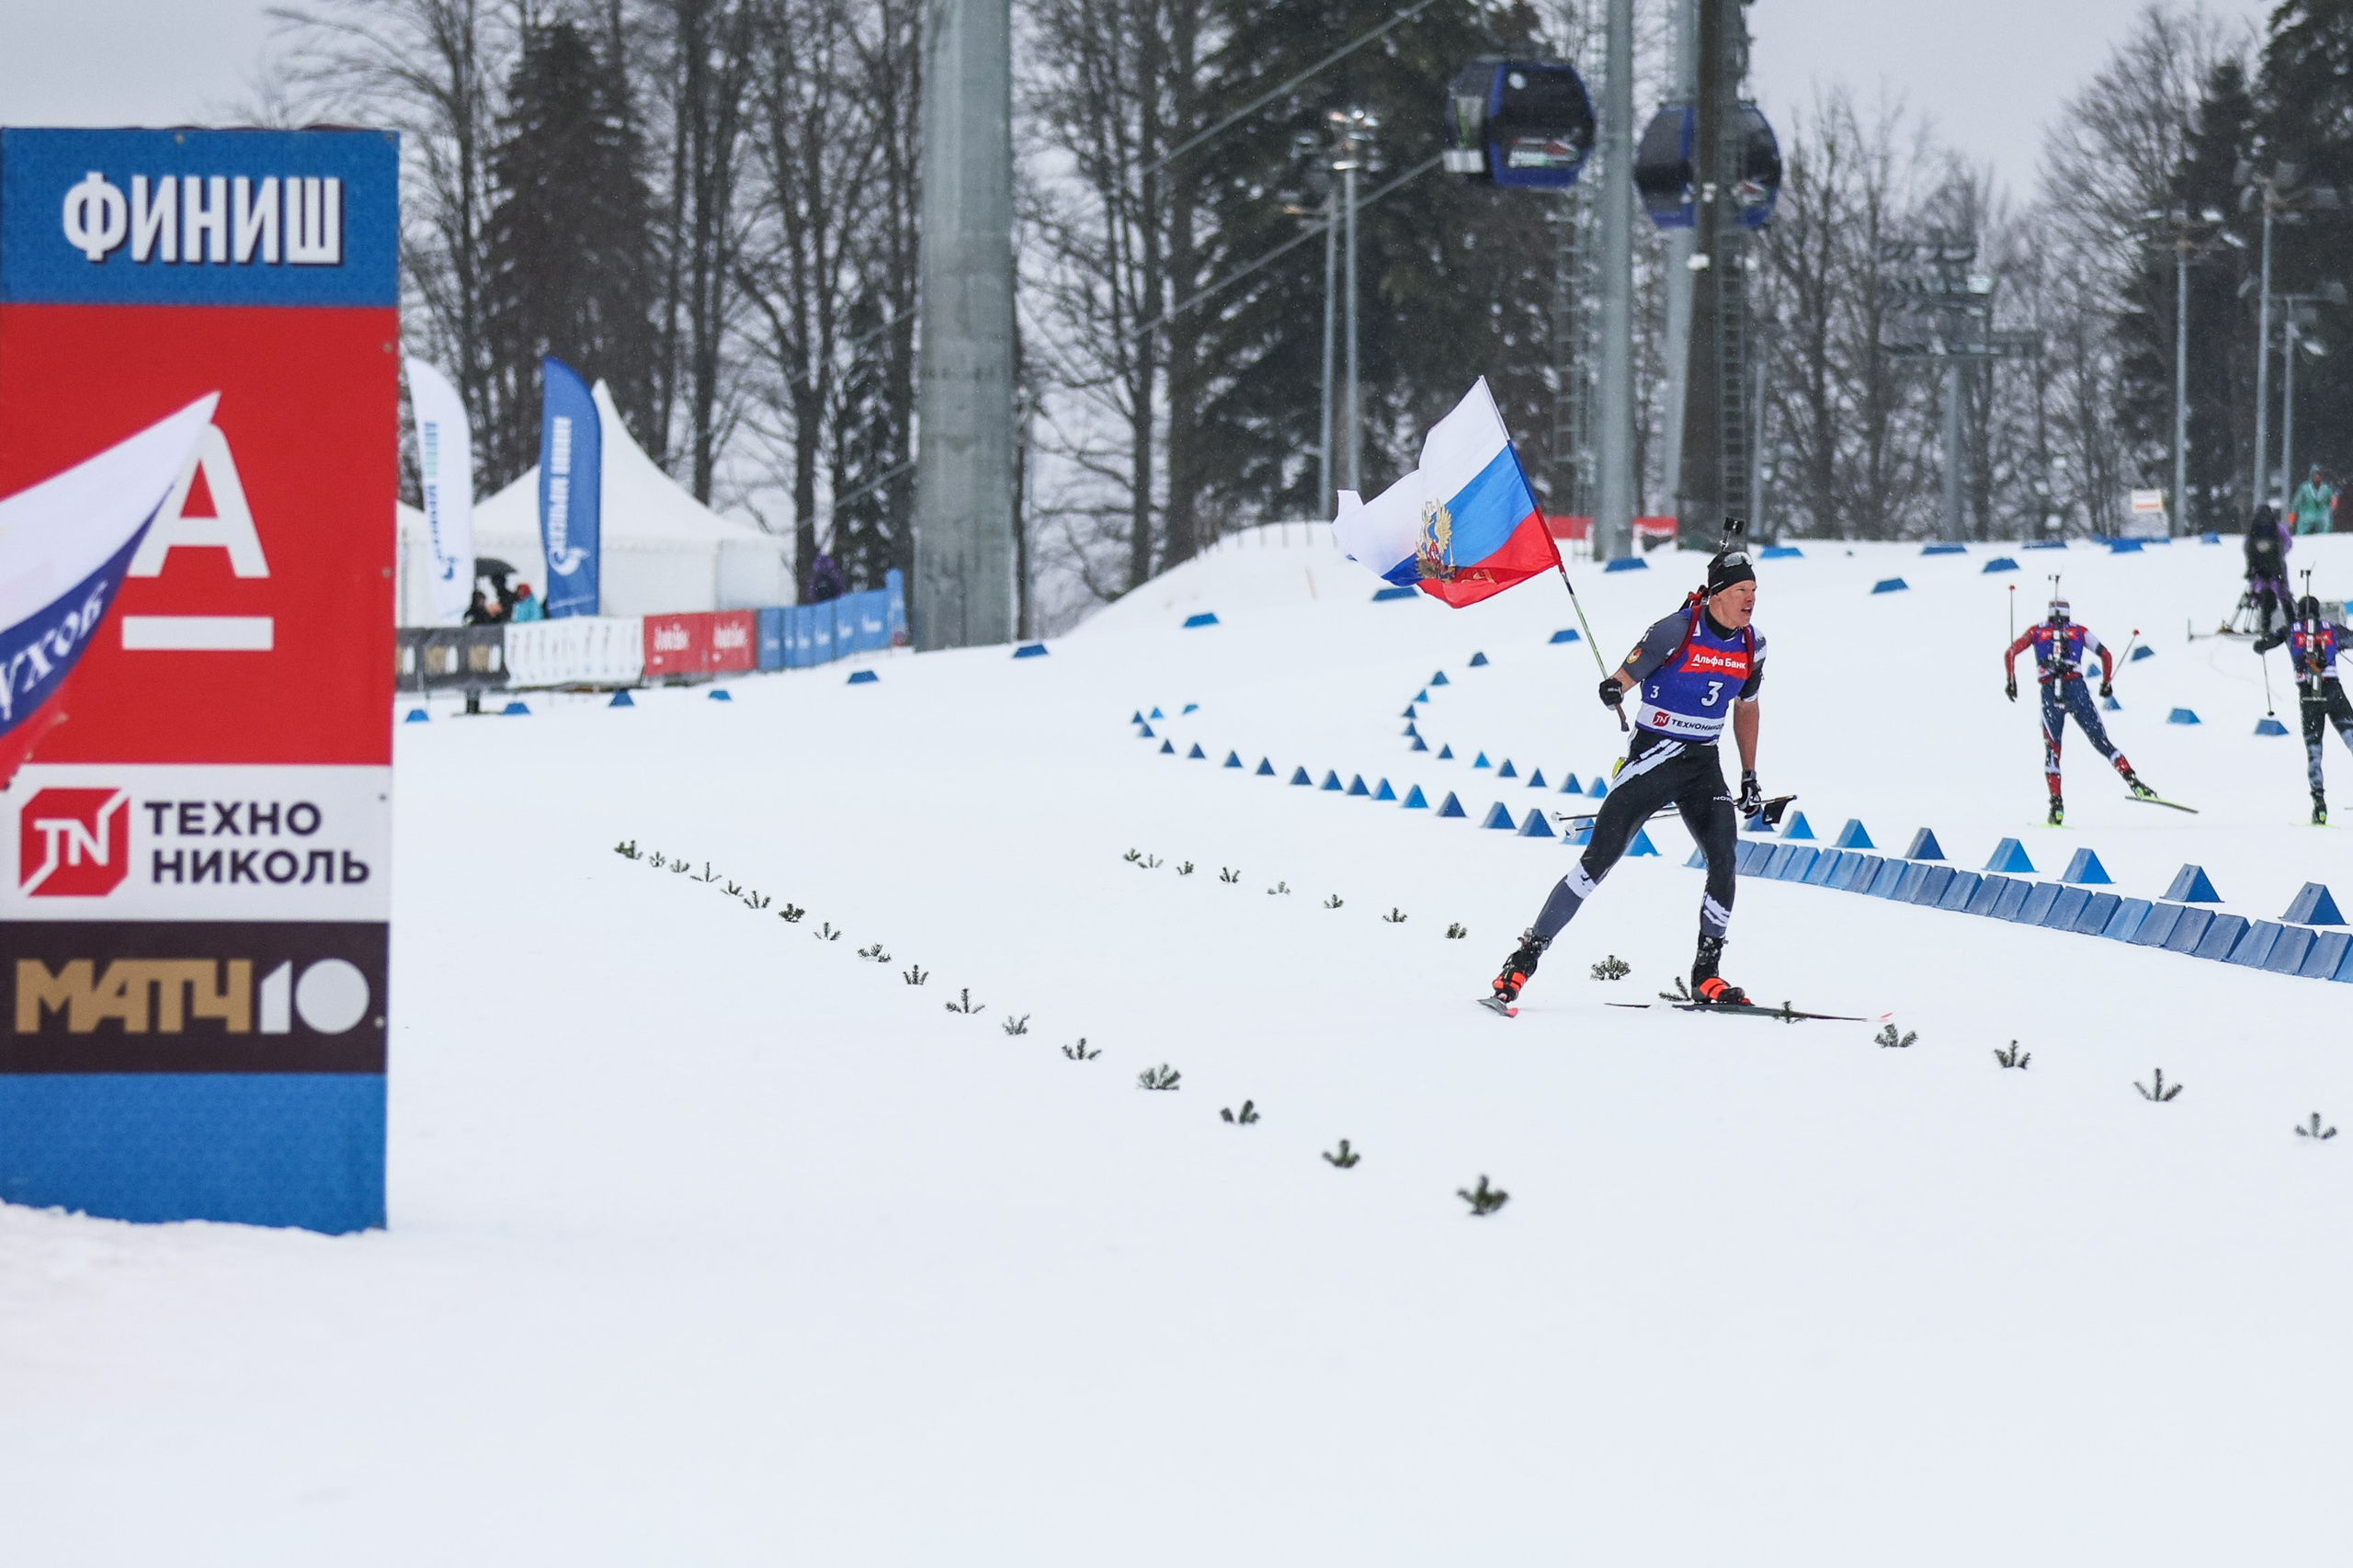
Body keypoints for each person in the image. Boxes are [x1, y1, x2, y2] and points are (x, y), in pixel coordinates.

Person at [1488, 528, 1768, 1012]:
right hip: (1652, 759)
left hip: (1702, 764)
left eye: (1755, 592)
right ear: (1720, 592)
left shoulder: (1753, 645)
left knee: (1724, 858)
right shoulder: (1675, 630)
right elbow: (1623, 677)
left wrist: (1748, 774)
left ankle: (1707, 974)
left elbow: (1748, 708)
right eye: (1743, 590)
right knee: (1598, 861)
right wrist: (1613, 689)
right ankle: (1522, 960)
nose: (1751, 600)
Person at [2004, 597, 2157, 825]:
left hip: (2049, 692)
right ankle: (2134, 782)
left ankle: (2056, 807)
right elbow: (2105, 654)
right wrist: (2106, 683)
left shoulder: (2037, 631)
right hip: (2077, 689)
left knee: (2052, 749)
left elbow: (2010, 652)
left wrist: (2011, 681)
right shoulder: (2079, 631)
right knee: (2101, 741)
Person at [2255, 596, 2353, 824]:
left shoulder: (2290, 630)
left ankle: (2319, 806)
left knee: (2314, 752)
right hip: (2334, 693)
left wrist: (2262, 642)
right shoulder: (2331, 629)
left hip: (2309, 697)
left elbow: (2261, 645)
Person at [2245, 504, 2294, 636]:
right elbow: (2288, 543)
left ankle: (2265, 627)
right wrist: (2280, 556)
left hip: (2258, 570)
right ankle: (2292, 624)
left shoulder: (2253, 529)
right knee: (2284, 597)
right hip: (2277, 568)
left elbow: (2247, 548)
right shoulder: (2277, 528)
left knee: (2262, 596)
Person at [2291, 465, 2337, 536]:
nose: (2317, 477)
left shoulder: (2326, 488)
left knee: (2325, 526)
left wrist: (2331, 509)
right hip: (2307, 516)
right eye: (2315, 475)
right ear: (2311, 476)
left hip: (2322, 517)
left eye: (2319, 475)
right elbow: (2296, 503)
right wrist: (2292, 519)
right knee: (2302, 534)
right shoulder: (2304, 488)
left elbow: (2333, 500)